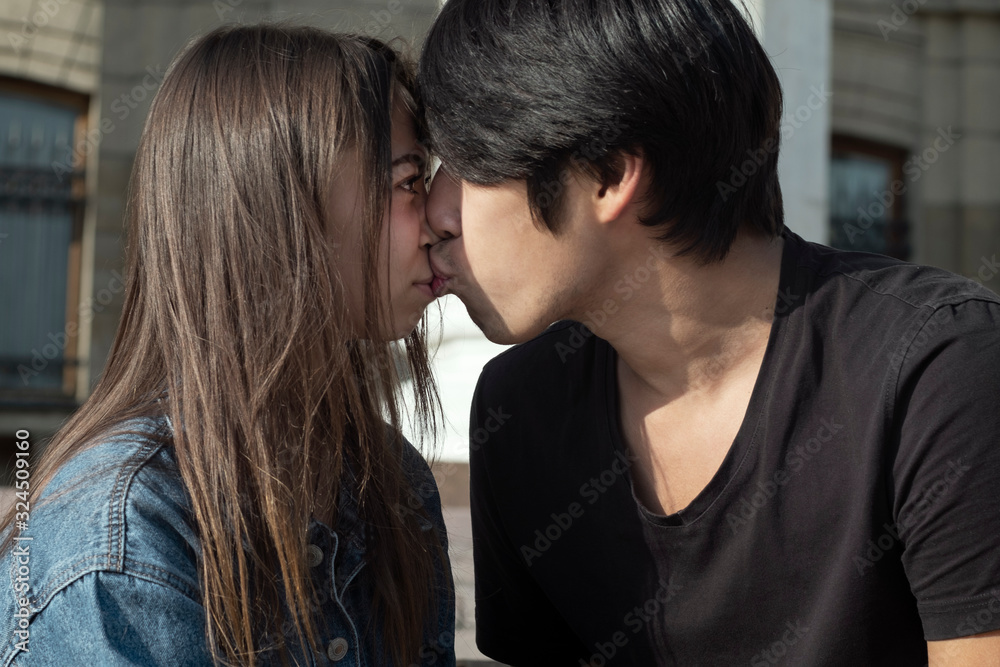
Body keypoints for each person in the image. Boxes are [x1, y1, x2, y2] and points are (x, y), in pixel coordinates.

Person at [418, 0, 1000, 664]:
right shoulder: (521, 407)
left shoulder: (937, 369)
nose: (437, 211)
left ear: (609, 174)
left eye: (467, 160)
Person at [0, 24, 455, 667]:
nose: (438, 220)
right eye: (409, 181)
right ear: (289, 205)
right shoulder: (127, 539)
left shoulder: (393, 484)